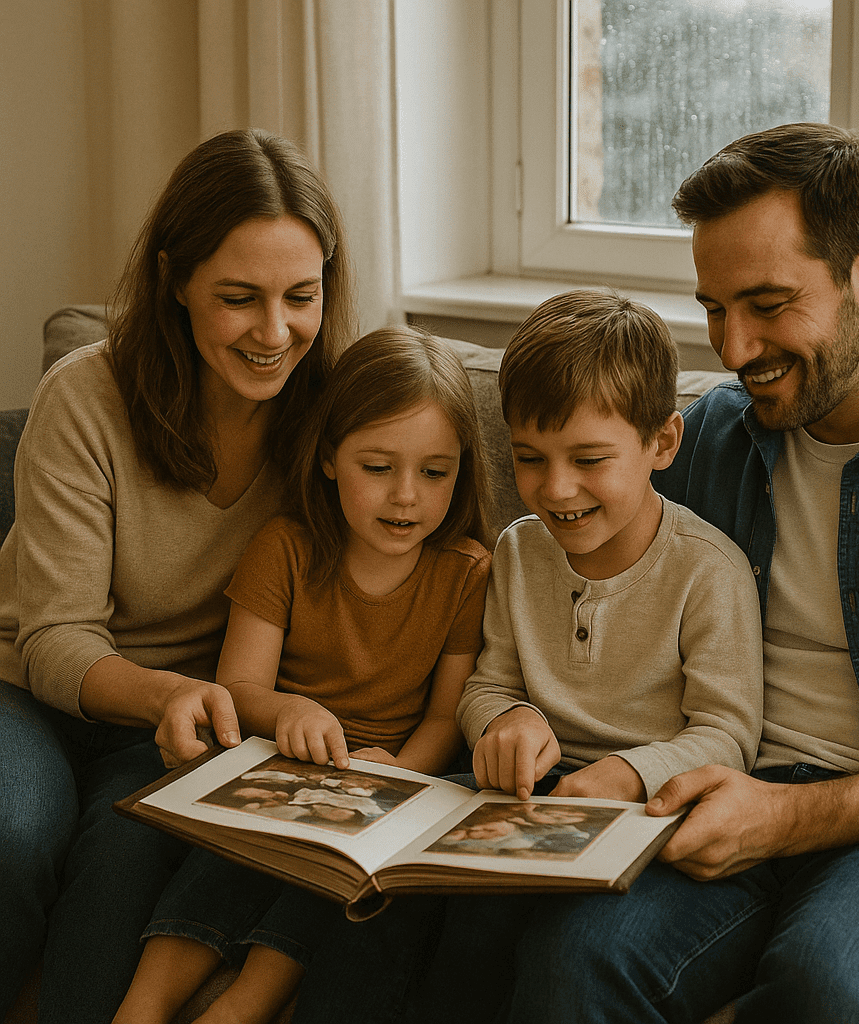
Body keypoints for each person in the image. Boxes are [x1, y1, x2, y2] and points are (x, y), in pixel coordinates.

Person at [496, 122, 859, 1024]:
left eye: (769, 304)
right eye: (713, 308)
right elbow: (568, 557)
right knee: (572, 959)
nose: (734, 349)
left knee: (835, 986)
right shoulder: (707, 441)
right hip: (713, 786)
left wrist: (784, 820)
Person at [0, 127, 356, 1023]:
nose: (276, 333)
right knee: (12, 836)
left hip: (194, 721)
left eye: (300, 297)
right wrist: (167, 697)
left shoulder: (335, 415)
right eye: (239, 298)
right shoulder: (87, 396)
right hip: (32, 689)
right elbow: (54, 638)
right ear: (175, 280)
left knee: (128, 856)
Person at [399, 288, 765, 1023]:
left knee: (558, 954)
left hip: (647, 815)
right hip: (531, 800)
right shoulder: (518, 550)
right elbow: (487, 683)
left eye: (589, 459)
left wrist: (630, 773)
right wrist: (510, 721)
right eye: (529, 458)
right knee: (439, 919)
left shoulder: (707, 570)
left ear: (663, 443)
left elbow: (728, 734)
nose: (555, 489)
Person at [113, 325, 493, 1024]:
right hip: (274, 769)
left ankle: (239, 1010)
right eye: (378, 467)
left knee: (332, 882)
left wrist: (400, 777)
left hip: (386, 785)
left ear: (462, 470)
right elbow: (241, 688)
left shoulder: (467, 572)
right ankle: (140, 1008)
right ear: (327, 458)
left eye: (435, 472)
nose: (407, 496)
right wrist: (290, 712)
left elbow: (447, 716)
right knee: (224, 861)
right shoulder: (285, 547)